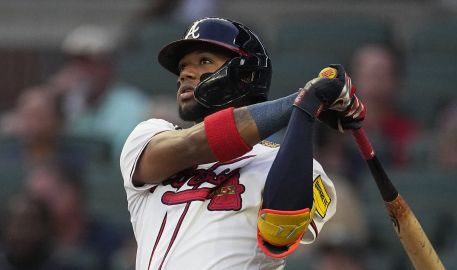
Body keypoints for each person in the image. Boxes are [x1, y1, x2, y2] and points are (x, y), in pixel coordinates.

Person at [120, 17, 366, 269]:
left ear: (246, 75)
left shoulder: (293, 164)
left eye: (204, 61)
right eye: (182, 66)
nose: (185, 73)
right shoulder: (149, 135)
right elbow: (195, 144)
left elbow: (278, 237)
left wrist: (304, 112)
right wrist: (303, 100)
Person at [48, 24, 149, 160]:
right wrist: (54, 102)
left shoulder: (132, 104)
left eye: (89, 64)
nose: (80, 71)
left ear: (108, 67)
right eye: (75, 63)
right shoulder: (66, 101)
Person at [350, 44, 419, 167]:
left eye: (382, 75)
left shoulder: (408, 131)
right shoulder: (337, 129)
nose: (376, 82)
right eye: (370, 75)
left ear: (396, 81)